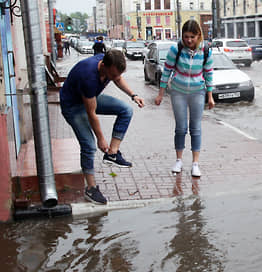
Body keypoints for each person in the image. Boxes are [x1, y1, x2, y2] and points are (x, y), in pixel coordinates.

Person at [60, 49, 145, 204]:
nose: (114, 78)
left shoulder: (108, 61)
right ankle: (91, 188)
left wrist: (133, 95)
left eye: (117, 74)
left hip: (89, 97)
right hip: (72, 106)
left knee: (126, 110)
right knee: (89, 145)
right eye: (111, 75)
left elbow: (118, 79)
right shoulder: (88, 77)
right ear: (104, 66)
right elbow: (91, 113)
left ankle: (112, 153)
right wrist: (101, 139)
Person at [154, 19, 215, 177]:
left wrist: (210, 96)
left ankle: (195, 163)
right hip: (178, 92)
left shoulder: (206, 50)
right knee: (181, 127)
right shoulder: (176, 49)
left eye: (192, 37)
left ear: (198, 36)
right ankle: (179, 160)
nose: (188, 40)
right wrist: (161, 93)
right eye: (186, 36)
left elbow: (208, 73)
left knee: (195, 128)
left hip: (198, 92)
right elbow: (166, 71)